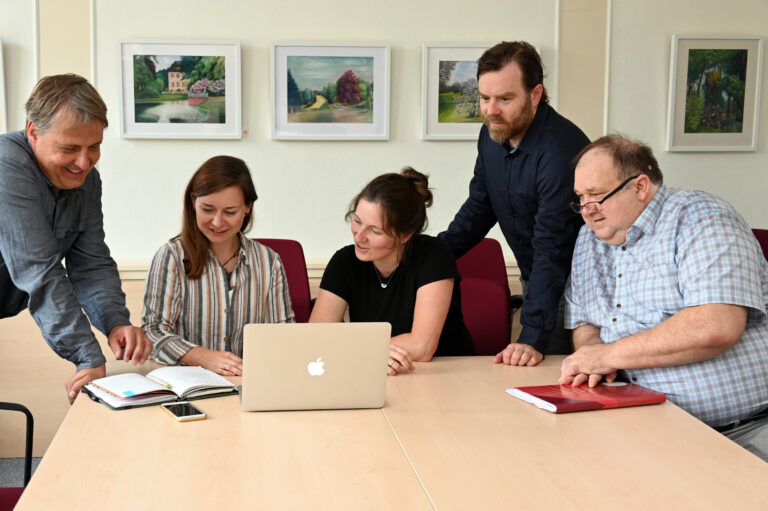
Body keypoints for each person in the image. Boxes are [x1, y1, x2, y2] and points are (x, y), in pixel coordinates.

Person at [560, 134, 768, 462]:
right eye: (581, 198)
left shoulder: (702, 218)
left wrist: (609, 356)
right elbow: (584, 320)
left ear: (640, 187)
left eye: (597, 196)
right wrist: (592, 355)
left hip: (739, 430)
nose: (587, 211)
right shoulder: (590, 237)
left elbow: (716, 326)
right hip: (640, 426)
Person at [0, 74, 151, 403]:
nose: (84, 163)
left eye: (94, 147)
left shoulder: (86, 180)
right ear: (33, 132)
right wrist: (88, 356)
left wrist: (114, 323)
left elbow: (91, 263)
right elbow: (39, 270)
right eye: (69, 148)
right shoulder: (5, 167)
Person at [439, 41, 590, 367]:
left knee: (551, 382)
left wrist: (532, 336)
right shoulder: (491, 133)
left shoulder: (561, 151)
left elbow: (553, 247)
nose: (491, 110)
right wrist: (429, 253)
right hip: (534, 275)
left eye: (505, 99)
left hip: (573, 287)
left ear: (535, 95)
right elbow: (480, 205)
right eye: (484, 98)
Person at [311, 167, 474, 375]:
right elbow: (316, 338)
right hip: (378, 374)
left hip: (444, 375)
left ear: (404, 235)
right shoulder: (345, 261)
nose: (359, 237)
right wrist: (373, 352)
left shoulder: (434, 255)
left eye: (375, 231)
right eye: (357, 221)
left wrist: (360, 350)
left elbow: (422, 346)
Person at [142, 155, 294, 376]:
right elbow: (153, 331)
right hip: (188, 383)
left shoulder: (269, 262)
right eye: (208, 209)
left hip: (250, 382)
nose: (217, 222)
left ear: (247, 208)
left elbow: (283, 336)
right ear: (193, 203)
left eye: (230, 212)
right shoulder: (171, 256)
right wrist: (203, 357)